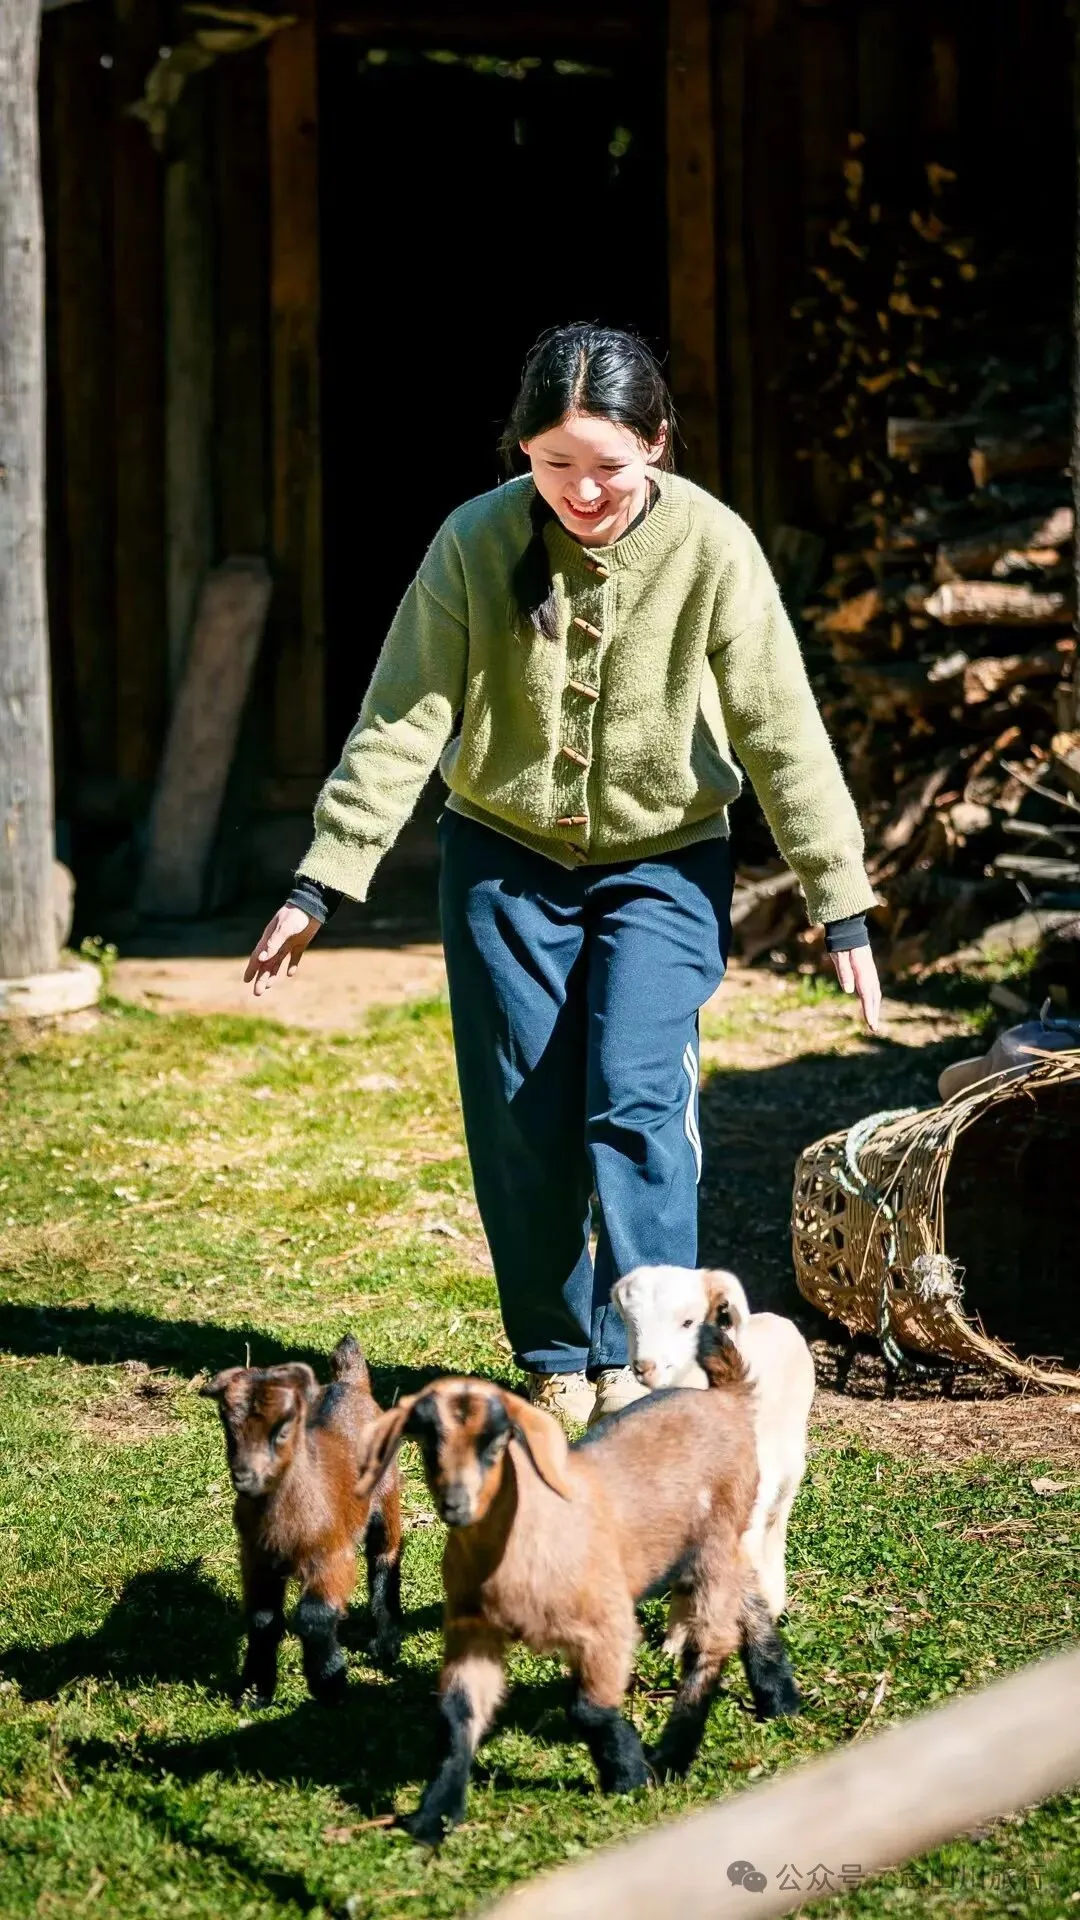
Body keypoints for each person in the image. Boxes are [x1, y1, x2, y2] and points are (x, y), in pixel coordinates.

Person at [245, 324, 881, 1429]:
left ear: (660, 447)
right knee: (525, 1111)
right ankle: (557, 1349)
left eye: (610, 469)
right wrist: (321, 881)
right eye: (555, 465)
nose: (583, 492)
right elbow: (404, 718)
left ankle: (654, 1359)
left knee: (637, 1098)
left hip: (666, 861)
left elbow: (782, 727)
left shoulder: (713, 548)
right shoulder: (472, 543)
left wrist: (842, 900)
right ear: (521, 455)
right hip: (505, 856)